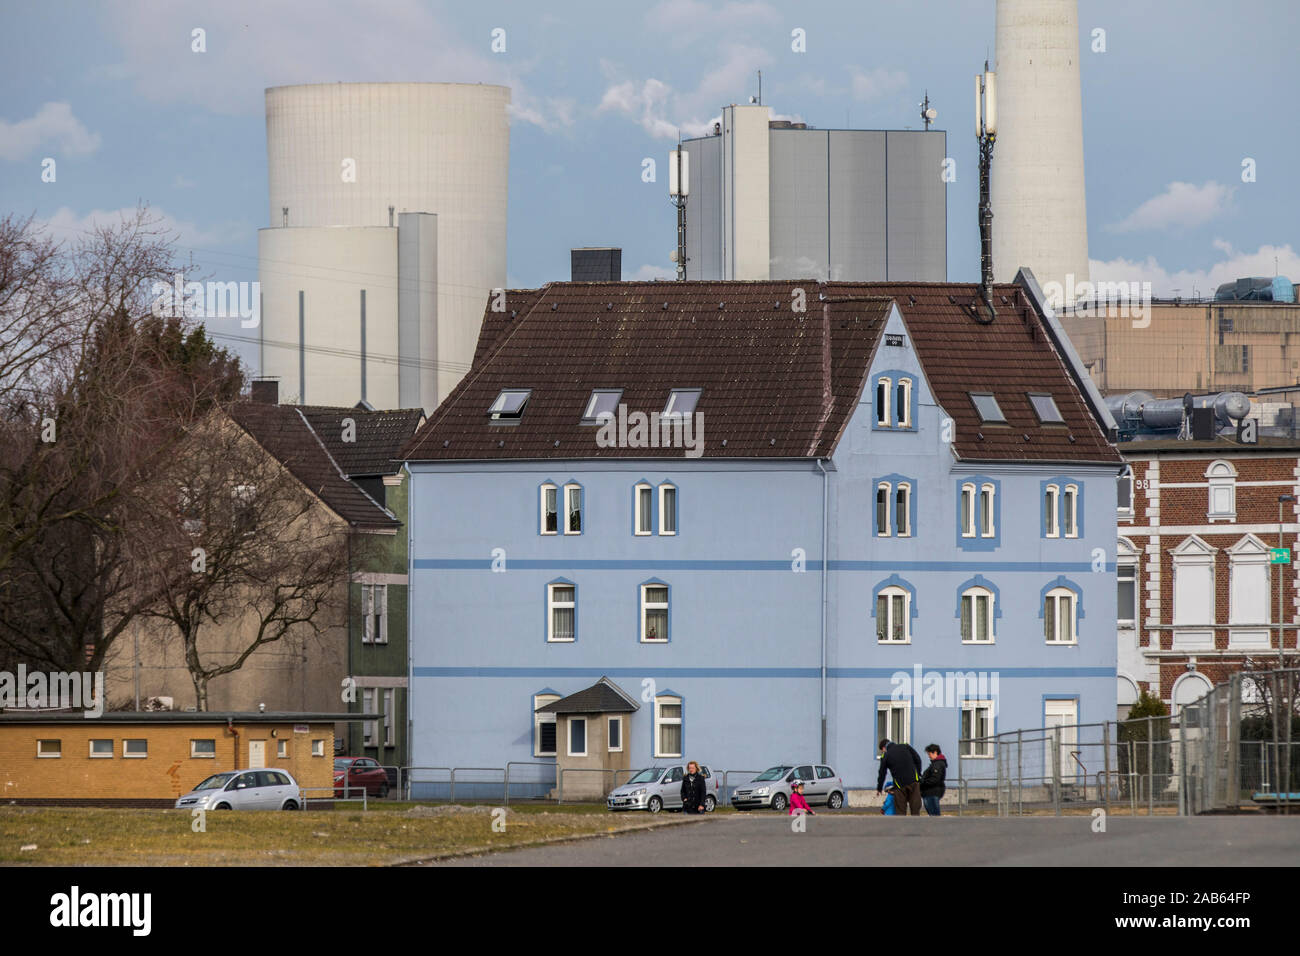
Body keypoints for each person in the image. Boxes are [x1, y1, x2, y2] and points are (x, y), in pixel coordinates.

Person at [875, 738, 923, 815]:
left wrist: (879, 788)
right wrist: (917, 773)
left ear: (884, 748)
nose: (883, 752)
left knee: (900, 811)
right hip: (914, 782)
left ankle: (902, 826)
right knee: (915, 808)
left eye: (882, 751)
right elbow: (918, 759)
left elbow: (882, 773)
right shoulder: (905, 746)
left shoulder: (886, 755)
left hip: (899, 786)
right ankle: (916, 825)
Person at [920, 744, 947, 817]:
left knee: (934, 815)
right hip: (930, 791)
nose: (929, 756)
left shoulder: (938, 764)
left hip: (932, 791)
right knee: (933, 814)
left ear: (935, 752)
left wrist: (923, 782)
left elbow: (935, 779)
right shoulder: (935, 764)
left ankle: (936, 827)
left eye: (929, 754)